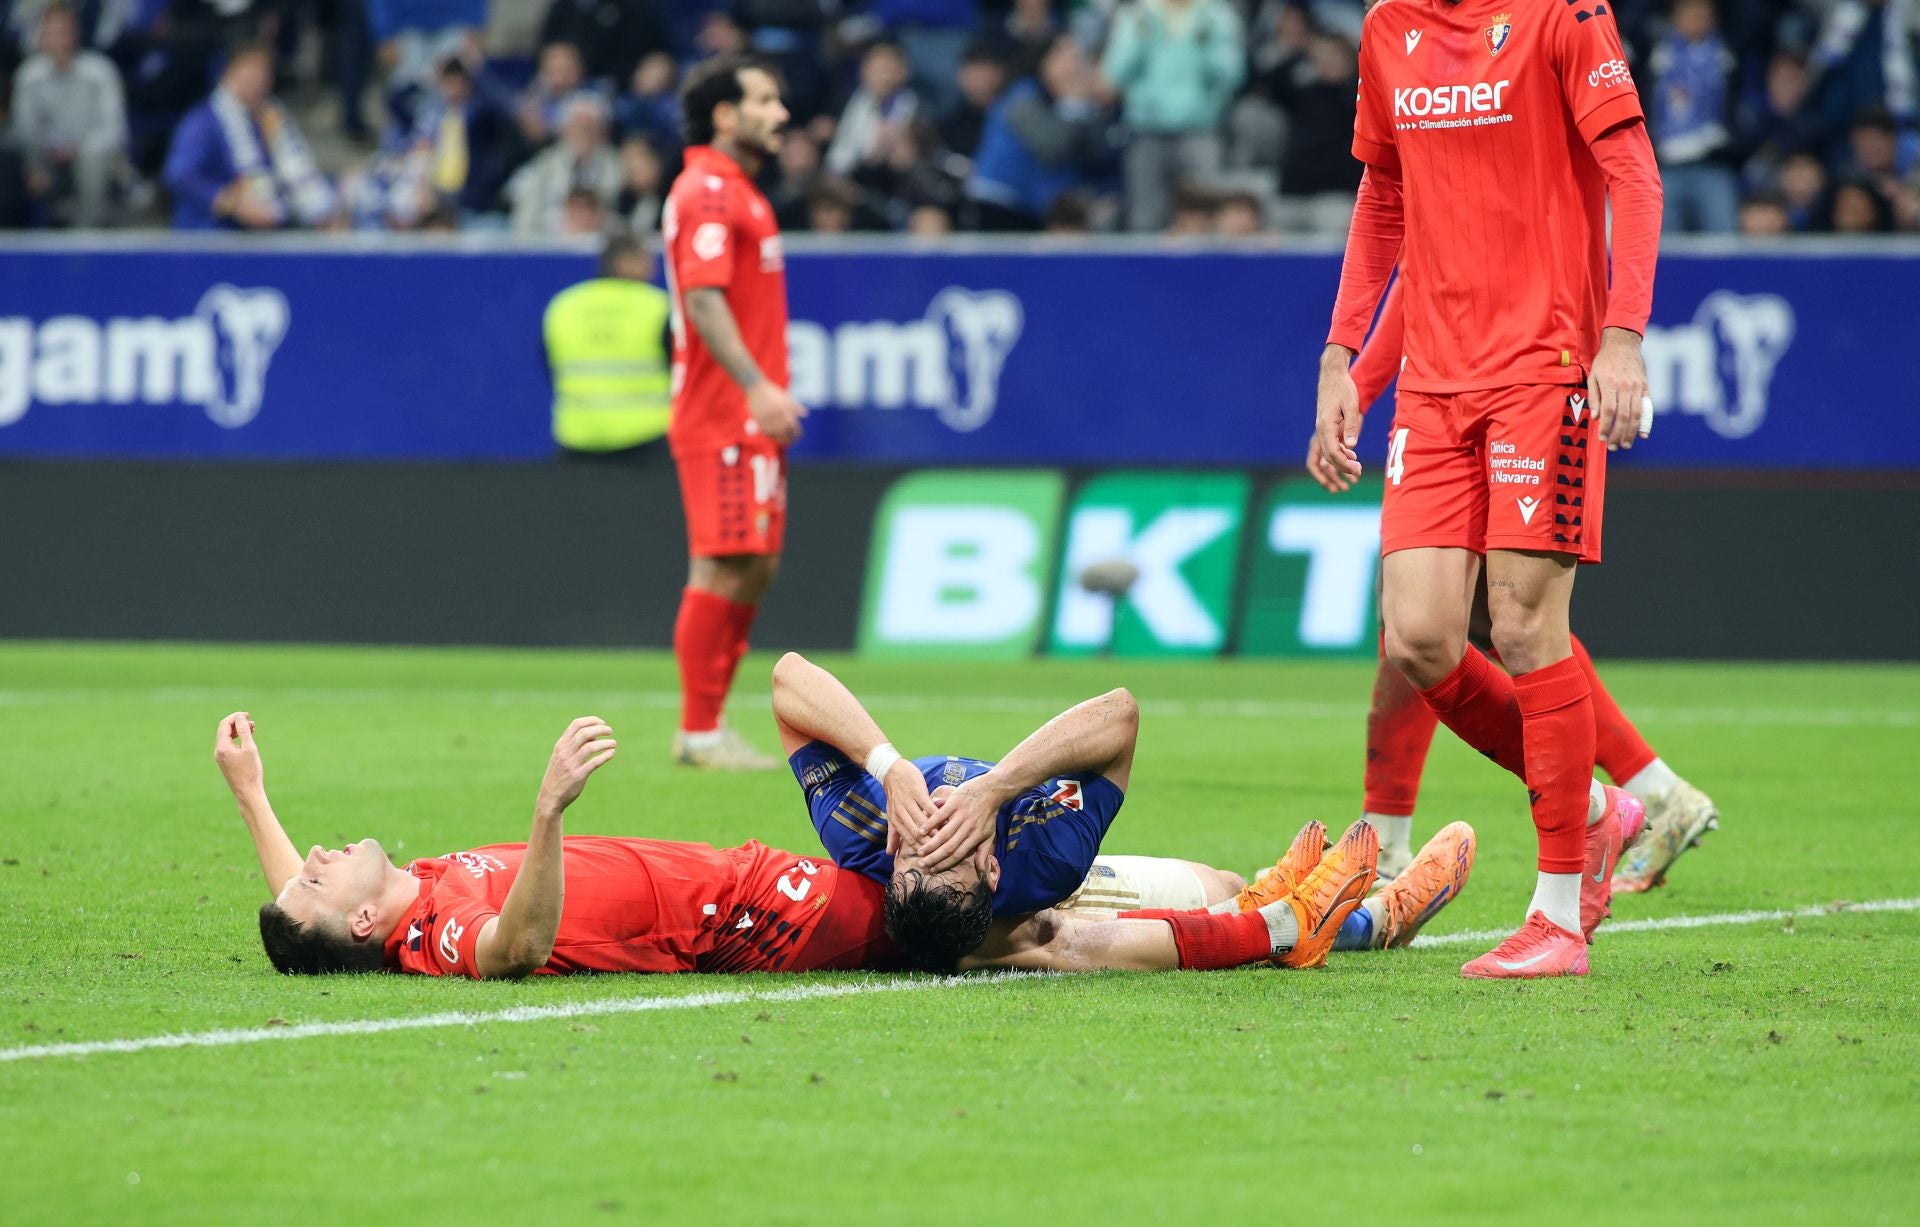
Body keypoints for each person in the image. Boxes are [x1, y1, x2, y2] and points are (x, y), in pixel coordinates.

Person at [1315, 0, 1664, 978]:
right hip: (1432, 381)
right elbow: (1384, 196)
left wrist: (1622, 335)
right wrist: (1344, 356)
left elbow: (1634, 175)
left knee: (1523, 625)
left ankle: (1558, 913)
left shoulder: (1563, 15)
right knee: (1419, 636)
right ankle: (1596, 811)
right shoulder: (1390, 28)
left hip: (1543, 368)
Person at [214, 709, 1398, 980]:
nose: (313, 859)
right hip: (764, 921)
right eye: (319, 878)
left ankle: (1275, 904)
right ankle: (1302, 922)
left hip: (752, 882)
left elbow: (296, 920)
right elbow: (514, 956)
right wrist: (545, 816)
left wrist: (252, 793)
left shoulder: (387, 901)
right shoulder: (440, 931)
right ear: (366, 922)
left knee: (1028, 922)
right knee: (1028, 937)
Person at [1308, 277, 1720, 893]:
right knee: (1445, 622)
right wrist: (1355, 387)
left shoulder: (1500, 205)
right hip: (1459, 387)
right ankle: (1658, 793)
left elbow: (1416, 287)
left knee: (1481, 624)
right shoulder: (1442, 206)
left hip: (1518, 389)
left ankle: (1388, 839)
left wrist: (1360, 388)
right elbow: (1417, 288)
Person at [768, 651, 1475, 972]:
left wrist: (888, 765)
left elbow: (788, 676)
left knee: (1226, 882)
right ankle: (1371, 922)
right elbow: (1119, 714)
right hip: (1042, 903)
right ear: (989, 864)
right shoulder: (1045, 857)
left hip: (968, 911)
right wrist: (1001, 788)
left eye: (914, 847)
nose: (932, 822)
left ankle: (1280, 905)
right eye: (946, 839)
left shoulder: (865, 830)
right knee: (1204, 899)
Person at [661, 56, 806, 770]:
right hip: (721, 412)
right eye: (765, 101)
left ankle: (707, 725)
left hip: (743, 415)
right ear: (725, 113)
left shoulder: (739, 190)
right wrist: (755, 385)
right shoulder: (709, 192)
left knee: (756, 564)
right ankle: (699, 732)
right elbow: (703, 298)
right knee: (723, 564)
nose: (781, 114)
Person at [1102, 0, 1245, 232]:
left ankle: (1207, 269)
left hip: (1200, 129)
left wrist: (1205, 46)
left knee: (1204, 216)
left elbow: (1233, 75)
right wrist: (1138, 40)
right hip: (1146, 129)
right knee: (1145, 218)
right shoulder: (1137, 15)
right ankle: (1144, 269)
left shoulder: (1218, 16)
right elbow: (1115, 72)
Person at [162, 42, 337, 230]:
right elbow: (179, 174)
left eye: (262, 72)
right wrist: (231, 202)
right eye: (249, 71)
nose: (256, 80)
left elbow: (286, 178)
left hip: (268, 231)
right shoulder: (202, 121)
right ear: (228, 74)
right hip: (211, 236)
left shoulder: (271, 118)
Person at [543, 235, 673, 455]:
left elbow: (551, 366)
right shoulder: (658, 306)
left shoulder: (564, 305)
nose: (653, 268)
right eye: (645, 260)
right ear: (623, 263)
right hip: (648, 441)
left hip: (576, 439)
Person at [10, 1, 125, 227]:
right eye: (53, 33)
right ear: (42, 35)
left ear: (76, 34)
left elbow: (114, 131)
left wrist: (78, 149)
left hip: (94, 156)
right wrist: (35, 164)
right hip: (47, 158)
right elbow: (24, 132)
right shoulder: (29, 76)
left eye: (65, 33)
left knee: (92, 161)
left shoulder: (100, 71)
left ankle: (86, 236)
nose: (60, 41)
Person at [504, 93, 621, 237]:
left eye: (590, 127)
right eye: (577, 126)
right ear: (565, 130)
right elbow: (526, 213)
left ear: (602, 132)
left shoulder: (616, 166)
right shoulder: (544, 164)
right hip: (549, 244)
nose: (583, 133)